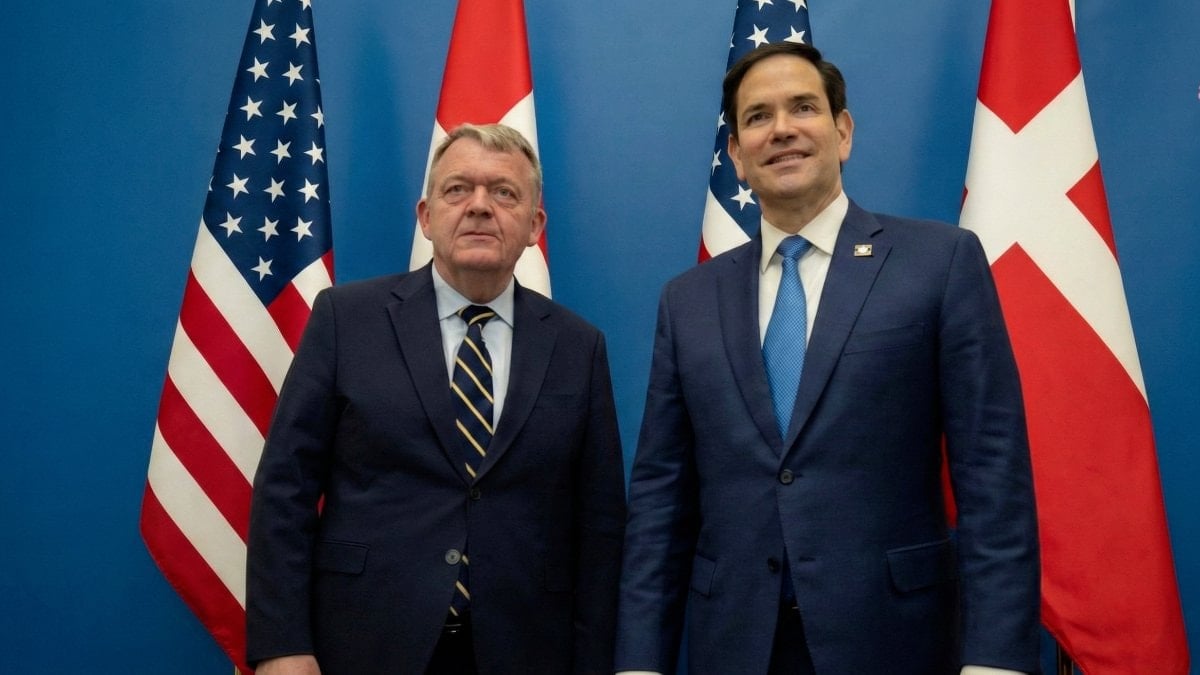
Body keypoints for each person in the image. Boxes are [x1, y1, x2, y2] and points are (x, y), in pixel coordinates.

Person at [615, 43, 1039, 675]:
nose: (781, 129)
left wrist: (997, 660)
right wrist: (639, 662)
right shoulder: (688, 300)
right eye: (757, 117)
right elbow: (661, 499)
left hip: (894, 641)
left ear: (843, 132)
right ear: (736, 155)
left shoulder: (939, 262)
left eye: (803, 107)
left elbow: (993, 477)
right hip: (734, 644)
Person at [245, 123, 626, 674]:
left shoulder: (578, 346)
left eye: (504, 192)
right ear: (426, 217)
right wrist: (282, 645)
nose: (479, 206)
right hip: (363, 644)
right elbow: (286, 488)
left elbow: (600, 525)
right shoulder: (346, 320)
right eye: (457, 189)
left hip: (527, 650)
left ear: (534, 226)